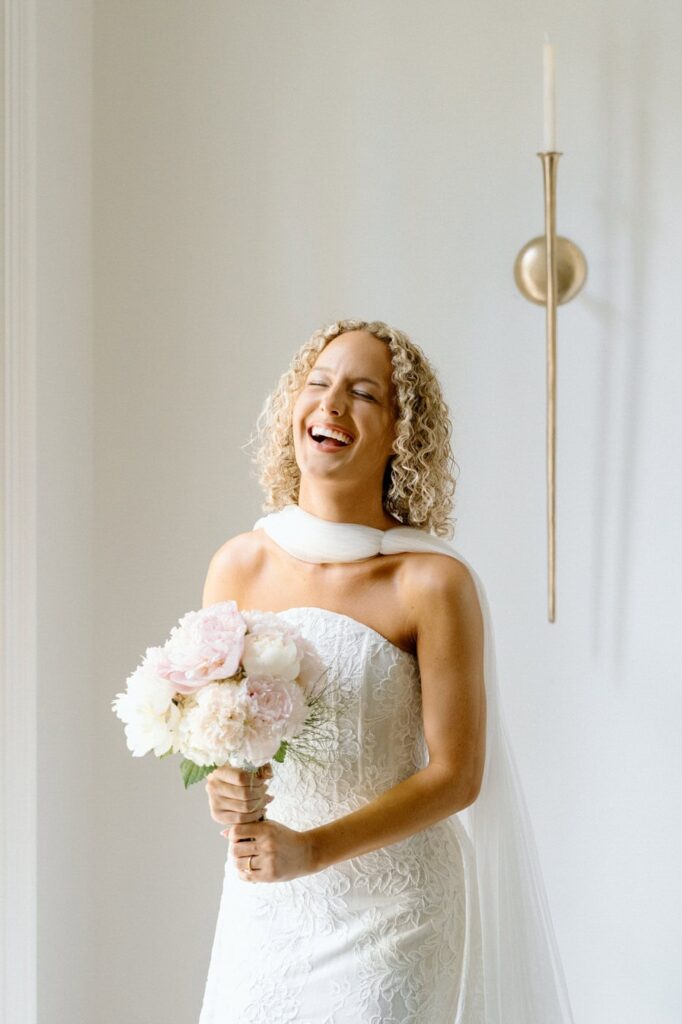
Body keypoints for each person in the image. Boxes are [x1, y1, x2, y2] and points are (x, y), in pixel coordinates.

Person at [197, 319, 574, 1024]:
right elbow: (223, 740)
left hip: (396, 912)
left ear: (402, 431)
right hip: (267, 905)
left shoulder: (431, 583)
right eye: (318, 383)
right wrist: (224, 792)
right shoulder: (238, 564)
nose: (332, 405)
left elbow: (458, 775)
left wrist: (313, 850)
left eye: (363, 393)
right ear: (293, 408)